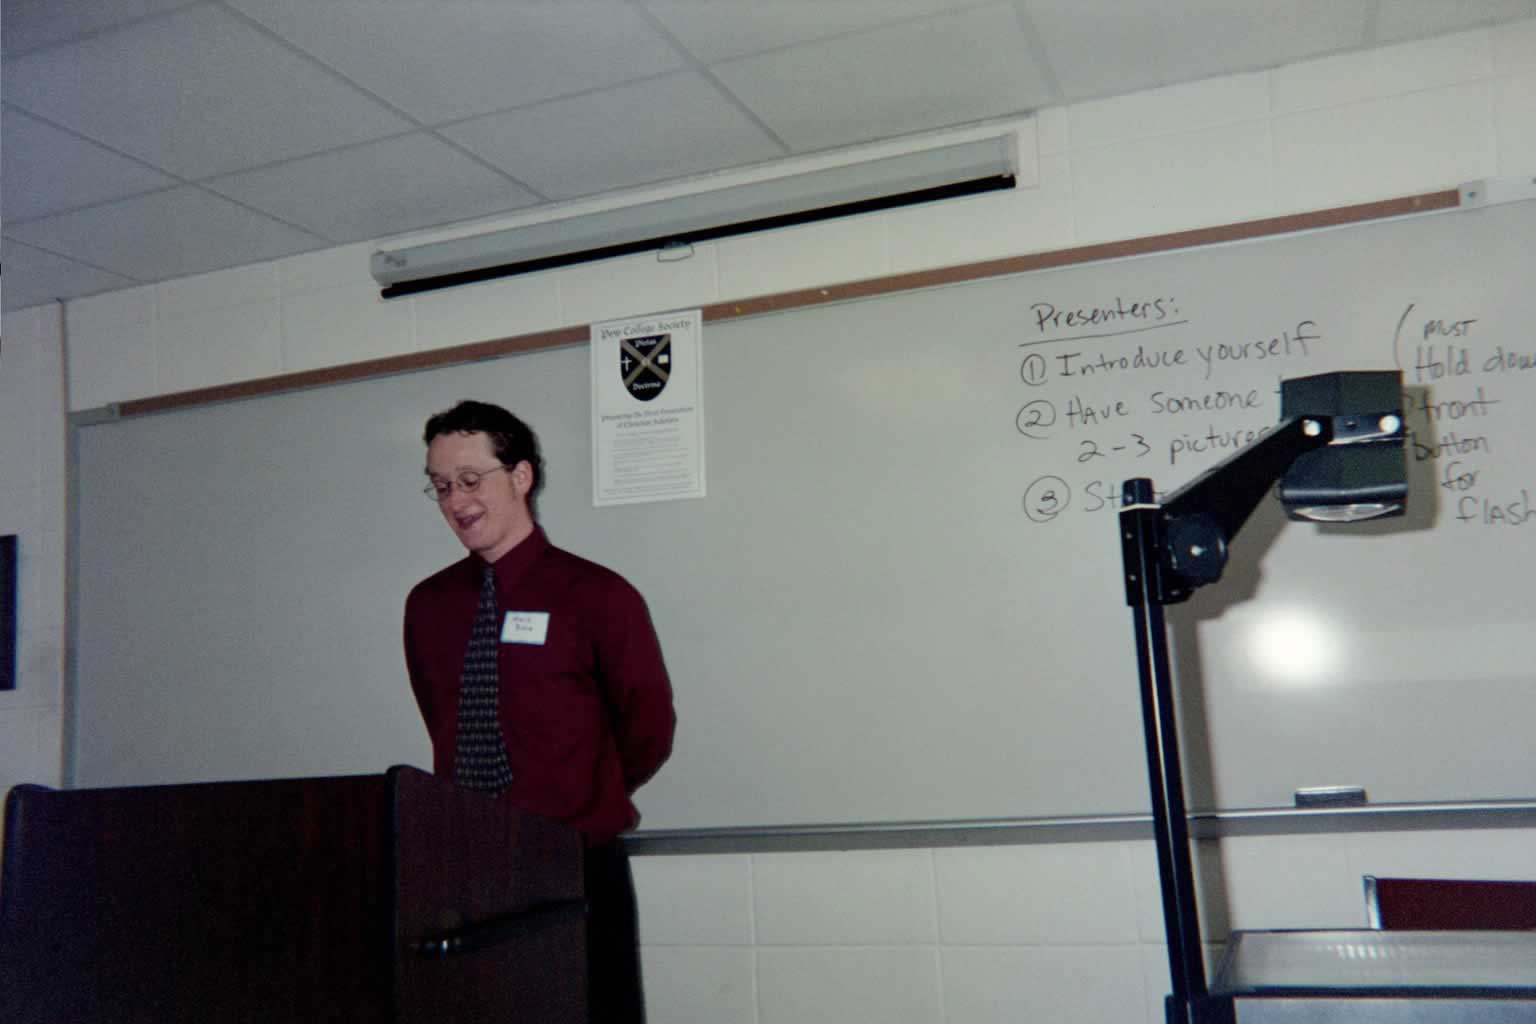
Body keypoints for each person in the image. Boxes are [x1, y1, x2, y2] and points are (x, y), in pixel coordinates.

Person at [403, 399, 675, 1023]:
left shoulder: (598, 596)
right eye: (441, 486)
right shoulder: (429, 605)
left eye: (471, 480)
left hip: (572, 867)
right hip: (463, 872)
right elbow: (438, 714)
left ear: (521, 477)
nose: (456, 501)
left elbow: (648, 728)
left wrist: (577, 799)